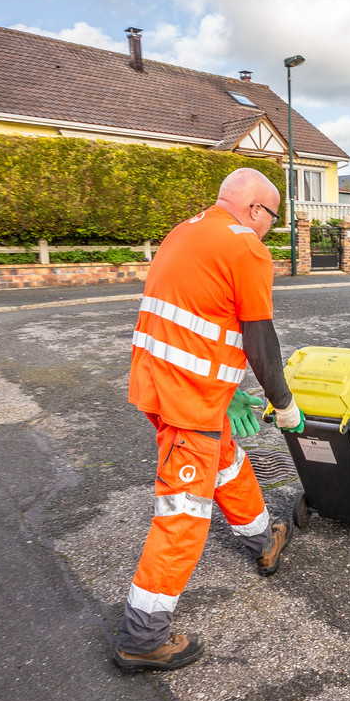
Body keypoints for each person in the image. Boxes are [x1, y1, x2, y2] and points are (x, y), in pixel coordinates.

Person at [114, 167, 306, 672]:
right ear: (255, 209)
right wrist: (281, 404)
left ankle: (264, 541)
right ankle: (143, 635)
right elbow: (260, 340)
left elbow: (197, 316)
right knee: (184, 513)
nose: (270, 229)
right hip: (189, 400)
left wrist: (231, 393)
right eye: (272, 217)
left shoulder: (188, 230)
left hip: (165, 383)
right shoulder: (246, 246)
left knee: (228, 461)